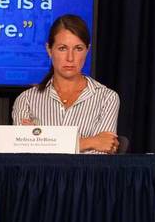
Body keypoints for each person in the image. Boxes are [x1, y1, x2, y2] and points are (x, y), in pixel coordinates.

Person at [12, 14, 121, 154]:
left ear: (87, 50)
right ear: (49, 50)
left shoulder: (107, 98)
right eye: (63, 48)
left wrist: (42, 141)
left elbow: (101, 154)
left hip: (86, 176)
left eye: (78, 48)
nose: (70, 58)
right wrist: (90, 142)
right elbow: (23, 152)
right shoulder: (26, 100)